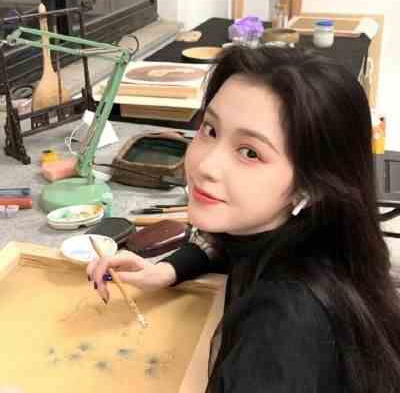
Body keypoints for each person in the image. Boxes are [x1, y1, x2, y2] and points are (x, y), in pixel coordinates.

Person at [87, 46, 400, 392]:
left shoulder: (280, 331)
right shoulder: (312, 233)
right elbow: (232, 246)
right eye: (210, 130)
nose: (205, 166)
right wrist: (166, 270)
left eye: (250, 152)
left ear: (310, 186)